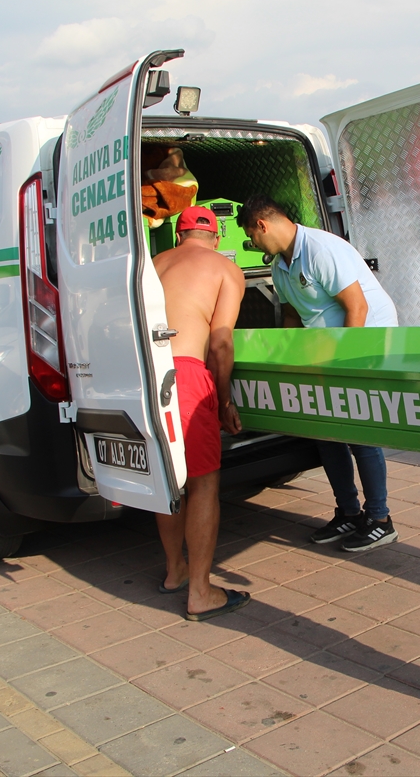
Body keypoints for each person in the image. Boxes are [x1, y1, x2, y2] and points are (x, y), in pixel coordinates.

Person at [238, 195, 401, 552]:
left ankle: (379, 518)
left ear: (262, 225)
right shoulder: (281, 266)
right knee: (324, 431)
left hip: (363, 341)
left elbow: (357, 306)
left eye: (252, 236)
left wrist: (346, 364)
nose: (253, 244)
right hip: (326, 348)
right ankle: (349, 512)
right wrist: (286, 359)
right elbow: (295, 316)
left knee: (358, 430)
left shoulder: (320, 249)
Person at [153, 206, 251, 621]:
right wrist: (225, 401)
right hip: (189, 375)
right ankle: (200, 591)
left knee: (165, 478)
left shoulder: (153, 265)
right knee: (203, 483)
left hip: (148, 372)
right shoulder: (224, 269)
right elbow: (220, 344)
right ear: (216, 237)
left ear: (179, 234)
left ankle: (175, 570)